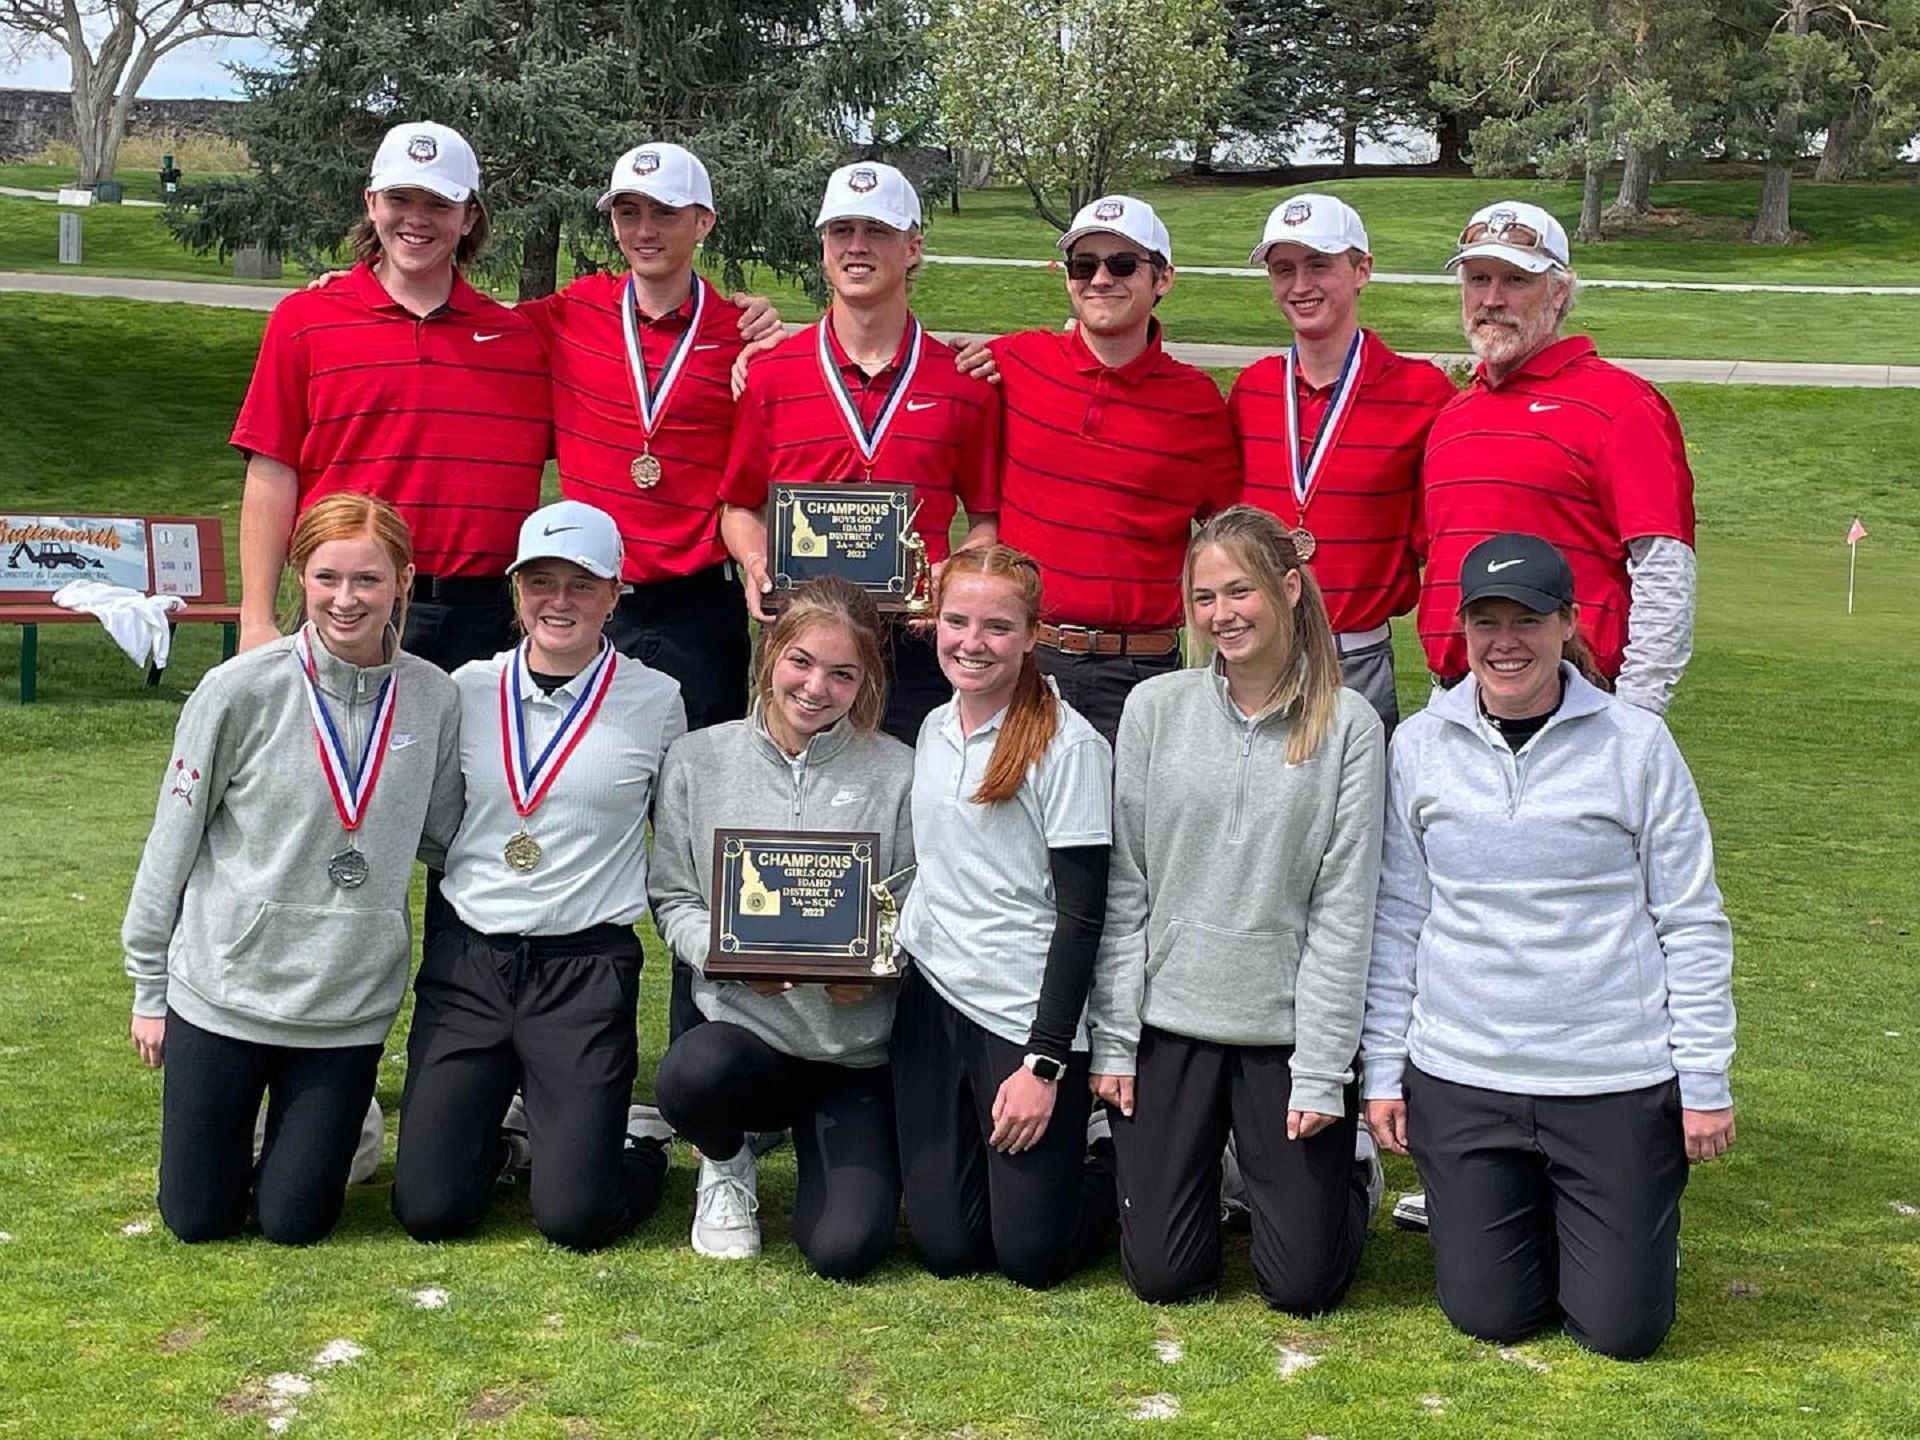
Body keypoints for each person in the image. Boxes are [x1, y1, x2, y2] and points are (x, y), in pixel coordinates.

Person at [1363, 533, 1736, 1361]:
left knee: (1622, 1330)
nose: (1505, 643)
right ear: (1460, 631)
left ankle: (1630, 1230)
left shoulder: (1636, 743)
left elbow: (1691, 919)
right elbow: (1396, 917)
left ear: (1569, 622)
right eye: (1485, 621)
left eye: (1527, 619)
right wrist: (1384, 1069)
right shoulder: (1420, 745)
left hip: (1610, 1077)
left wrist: (1703, 1080)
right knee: (1489, 1315)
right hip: (1465, 1075)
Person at [122, 494, 462, 1245]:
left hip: (345, 1004)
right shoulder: (241, 688)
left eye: (368, 579)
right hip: (225, 990)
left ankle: (339, 1127)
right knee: (198, 1219)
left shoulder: (434, 697)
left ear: (403, 581)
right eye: (327, 577)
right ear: (298, 577)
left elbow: (447, 839)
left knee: (295, 1223)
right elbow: (171, 841)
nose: (347, 599)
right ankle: (259, 1126)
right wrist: (150, 988)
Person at [1088, 507, 1384, 1311]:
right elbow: (1126, 889)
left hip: (1281, 1035)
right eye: (1204, 597)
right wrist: (1114, 1041)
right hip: (1170, 1021)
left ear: (1289, 588)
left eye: (1240, 591)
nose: (1222, 615)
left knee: (1303, 1288)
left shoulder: (1351, 726)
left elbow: (1343, 912)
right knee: (1164, 1276)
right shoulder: (1155, 709)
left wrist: (1324, 1073)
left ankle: (1347, 1171)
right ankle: (1213, 1171)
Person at [389, 501, 687, 1252]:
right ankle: (507, 1144)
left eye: (582, 584)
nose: (560, 602)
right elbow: (437, 818)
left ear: (616, 593)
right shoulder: (465, 688)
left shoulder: (656, 700)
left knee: (575, 1219)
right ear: (516, 590)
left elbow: (676, 840)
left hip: (584, 970)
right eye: (541, 582)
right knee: (430, 1209)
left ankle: (639, 1148)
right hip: (470, 964)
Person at [649, 578, 914, 1278]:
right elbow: (673, 898)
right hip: (746, 1037)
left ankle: (835, 1148)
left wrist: (877, 968)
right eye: (801, 661)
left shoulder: (899, 771)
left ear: (866, 681)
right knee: (691, 1074)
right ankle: (726, 1161)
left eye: (841, 673)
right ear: (769, 652)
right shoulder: (698, 758)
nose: (816, 687)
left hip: (850, 1049)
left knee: (844, 1250)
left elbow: (914, 905)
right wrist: (724, 957)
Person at [231, 121, 551, 671]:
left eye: (439, 203)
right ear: (371, 202)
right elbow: (272, 468)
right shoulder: (304, 320)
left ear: (469, 216)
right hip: (346, 603)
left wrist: (746, 321)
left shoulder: (522, 340)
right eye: (400, 199)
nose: (416, 219)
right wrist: (256, 616)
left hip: (480, 615)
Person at [890, 544, 1118, 1289]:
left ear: (1031, 635)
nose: (972, 643)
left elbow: (1083, 918)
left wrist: (1045, 1065)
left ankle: (1115, 1155)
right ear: (932, 622)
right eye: (957, 621)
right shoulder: (932, 728)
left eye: (996, 627)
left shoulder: (1068, 745)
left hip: (1023, 1017)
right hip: (933, 1002)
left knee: (1031, 1258)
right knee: (949, 1248)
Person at [719, 161, 1000, 744]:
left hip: (919, 644)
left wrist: (955, 579)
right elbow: (739, 508)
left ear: (912, 246)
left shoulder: (964, 383)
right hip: (800, 641)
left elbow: (986, 519)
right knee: (798, 817)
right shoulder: (771, 375)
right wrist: (753, 563)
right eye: (841, 231)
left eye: (877, 231)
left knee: (914, 814)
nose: (857, 247)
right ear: (823, 246)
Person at [521, 141, 780, 731]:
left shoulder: (741, 336)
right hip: (587, 597)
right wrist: (375, 276)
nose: (645, 230)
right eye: (628, 212)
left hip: (698, 605)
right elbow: (465, 323)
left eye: (665, 213)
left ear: (703, 222)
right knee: (574, 787)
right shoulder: (572, 313)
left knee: (693, 797)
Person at [980, 195, 1240, 747]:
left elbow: (1230, 535)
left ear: (1162, 278)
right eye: (1084, 265)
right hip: (1026, 661)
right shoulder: (1014, 362)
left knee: (1138, 834)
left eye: (1123, 264)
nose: (1100, 279)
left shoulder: (1196, 403)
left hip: (1142, 673)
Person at [1418, 201, 1697, 715]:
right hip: (1456, 699)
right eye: (1478, 278)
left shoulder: (1624, 406)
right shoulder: (1453, 417)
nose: (1492, 299)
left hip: (1578, 701)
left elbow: (1663, 567)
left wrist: (1636, 715)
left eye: (1515, 281)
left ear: (1559, 291)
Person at [1229, 194, 1456, 736]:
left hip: (1356, 660)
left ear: (1362, 270)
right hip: (1253, 656)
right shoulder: (1252, 390)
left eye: (1319, 265)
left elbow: (1442, 540)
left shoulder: (1423, 393)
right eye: (1284, 269)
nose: (1300, 285)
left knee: (1356, 820)